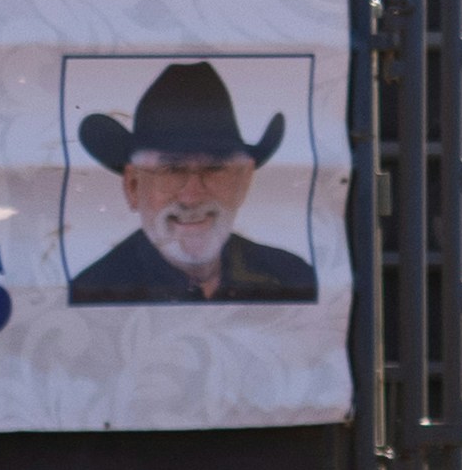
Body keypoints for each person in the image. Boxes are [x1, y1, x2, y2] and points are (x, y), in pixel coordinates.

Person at [62, 63, 320, 301]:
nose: (192, 196)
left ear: (244, 181)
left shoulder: (292, 278)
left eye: (215, 167)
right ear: (133, 186)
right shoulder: (92, 294)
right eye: (172, 169)